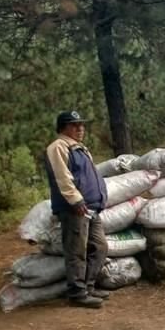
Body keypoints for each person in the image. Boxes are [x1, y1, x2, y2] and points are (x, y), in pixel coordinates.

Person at [45, 111, 109, 309]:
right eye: (75, 125)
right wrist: (75, 201)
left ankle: (88, 287)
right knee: (76, 250)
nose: (80, 129)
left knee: (100, 247)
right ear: (63, 128)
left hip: (90, 208)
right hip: (75, 209)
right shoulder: (58, 147)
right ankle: (77, 293)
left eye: (82, 125)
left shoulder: (79, 148)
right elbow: (62, 178)